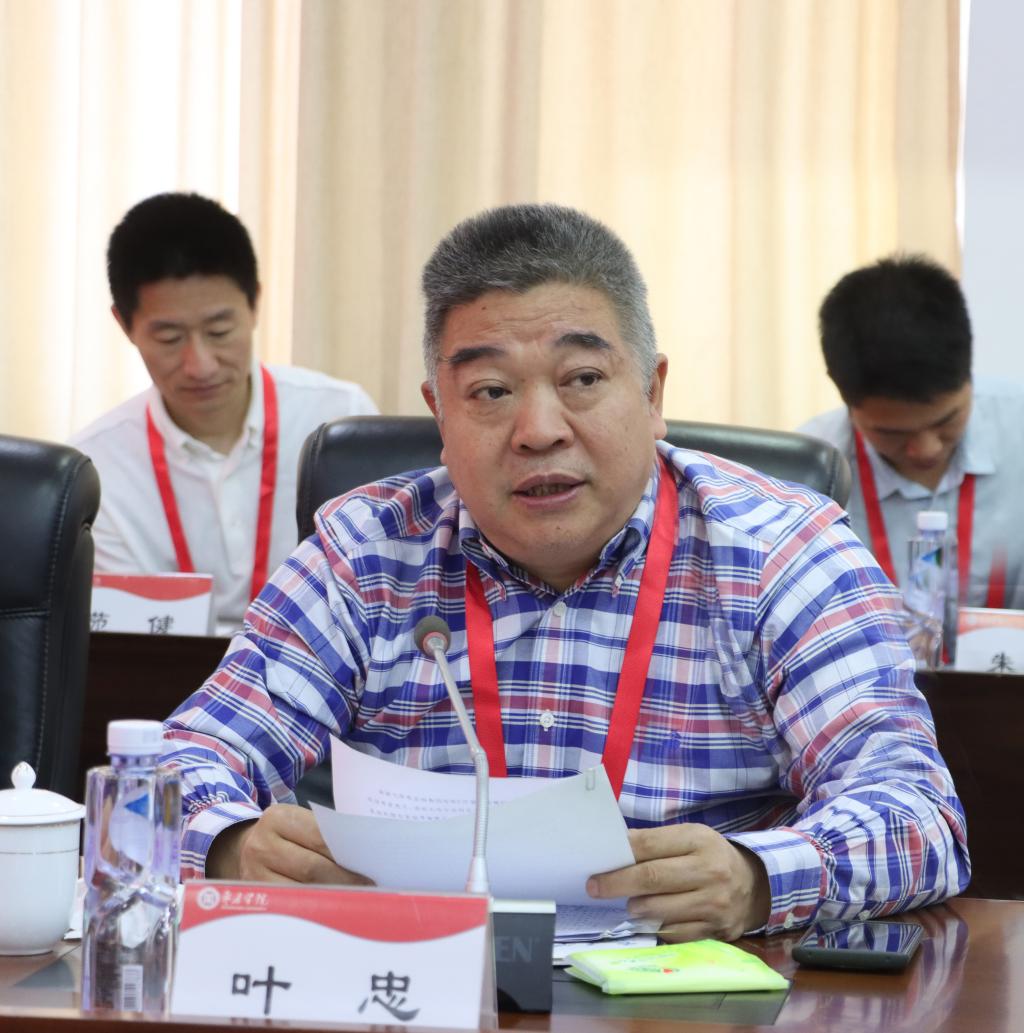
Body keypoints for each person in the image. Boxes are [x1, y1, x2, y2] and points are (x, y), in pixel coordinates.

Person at [164, 204, 969, 943]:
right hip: (424, 983)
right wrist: (231, 845)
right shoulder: (367, 553)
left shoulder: (781, 552)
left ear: (651, 392)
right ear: (440, 413)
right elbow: (172, 771)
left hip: (683, 1002)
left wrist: (757, 878)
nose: (539, 430)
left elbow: (919, 815)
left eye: (582, 379)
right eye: (490, 391)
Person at [71, 193, 378, 633]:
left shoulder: (340, 421)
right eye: (169, 338)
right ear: (125, 325)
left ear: (254, 304)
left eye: (219, 330)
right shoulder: (96, 467)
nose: (201, 365)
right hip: (165, 677)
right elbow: (123, 640)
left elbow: (377, 587)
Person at [801, 255, 1024, 609]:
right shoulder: (808, 473)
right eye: (892, 433)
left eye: (946, 421)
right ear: (843, 394)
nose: (927, 449)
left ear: (969, 369)